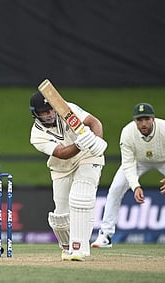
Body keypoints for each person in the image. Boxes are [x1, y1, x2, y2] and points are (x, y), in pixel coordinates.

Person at [29, 91, 107, 261]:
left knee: (80, 197)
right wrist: (79, 144)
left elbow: (93, 122)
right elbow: (62, 153)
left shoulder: (67, 109)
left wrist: (97, 141)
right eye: (44, 112)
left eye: (50, 109)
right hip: (61, 166)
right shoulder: (37, 135)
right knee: (60, 217)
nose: (49, 114)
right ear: (36, 114)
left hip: (88, 156)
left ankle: (79, 248)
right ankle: (67, 246)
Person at [91, 102, 165, 248]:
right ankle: (105, 235)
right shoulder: (127, 132)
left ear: (153, 118)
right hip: (138, 161)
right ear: (134, 120)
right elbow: (128, 163)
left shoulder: (164, 129)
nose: (143, 123)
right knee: (115, 189)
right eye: (139, 120)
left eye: (146, 119)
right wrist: (135, 186)